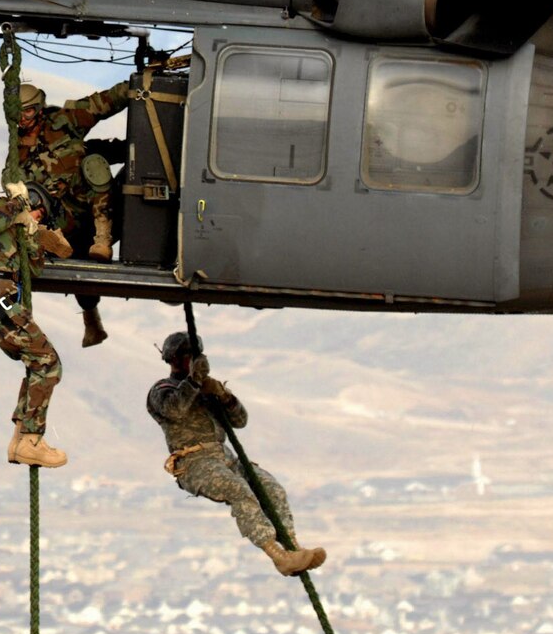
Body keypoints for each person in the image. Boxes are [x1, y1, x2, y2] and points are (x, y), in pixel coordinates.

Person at [147, 331, 326, 576]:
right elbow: (175, 410)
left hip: (225, 455)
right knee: (237, 489)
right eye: (187, 354)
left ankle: (292, 546)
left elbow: (240, 420)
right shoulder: (162, 389)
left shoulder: (205, 389)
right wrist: (195, 382)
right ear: (173, 359)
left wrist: (224, 396)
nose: (193, 359)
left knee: (269, 486)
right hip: (194, 461)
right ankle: (277, 555)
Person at [0, 183, 73, 468]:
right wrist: (20, 206)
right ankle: (31, 438)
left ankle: (20, 440)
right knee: (48, 362)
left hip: (2, 294)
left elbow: (35, 269)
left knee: (39, 362)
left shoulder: (20, 227)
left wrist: (35, 236)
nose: (37, 218)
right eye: (39, 212)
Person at [17, 79, 130, 347]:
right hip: (60, 226)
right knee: (76, 264)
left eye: (28, 111)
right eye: (16, 112)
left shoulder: (65, 121)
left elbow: (105, 102)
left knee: (94, 162)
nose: (22, 118)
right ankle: (90, 321)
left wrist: (139, 84)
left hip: (98, 214)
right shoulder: (16, 155)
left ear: (39, 109)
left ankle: (103, 240)